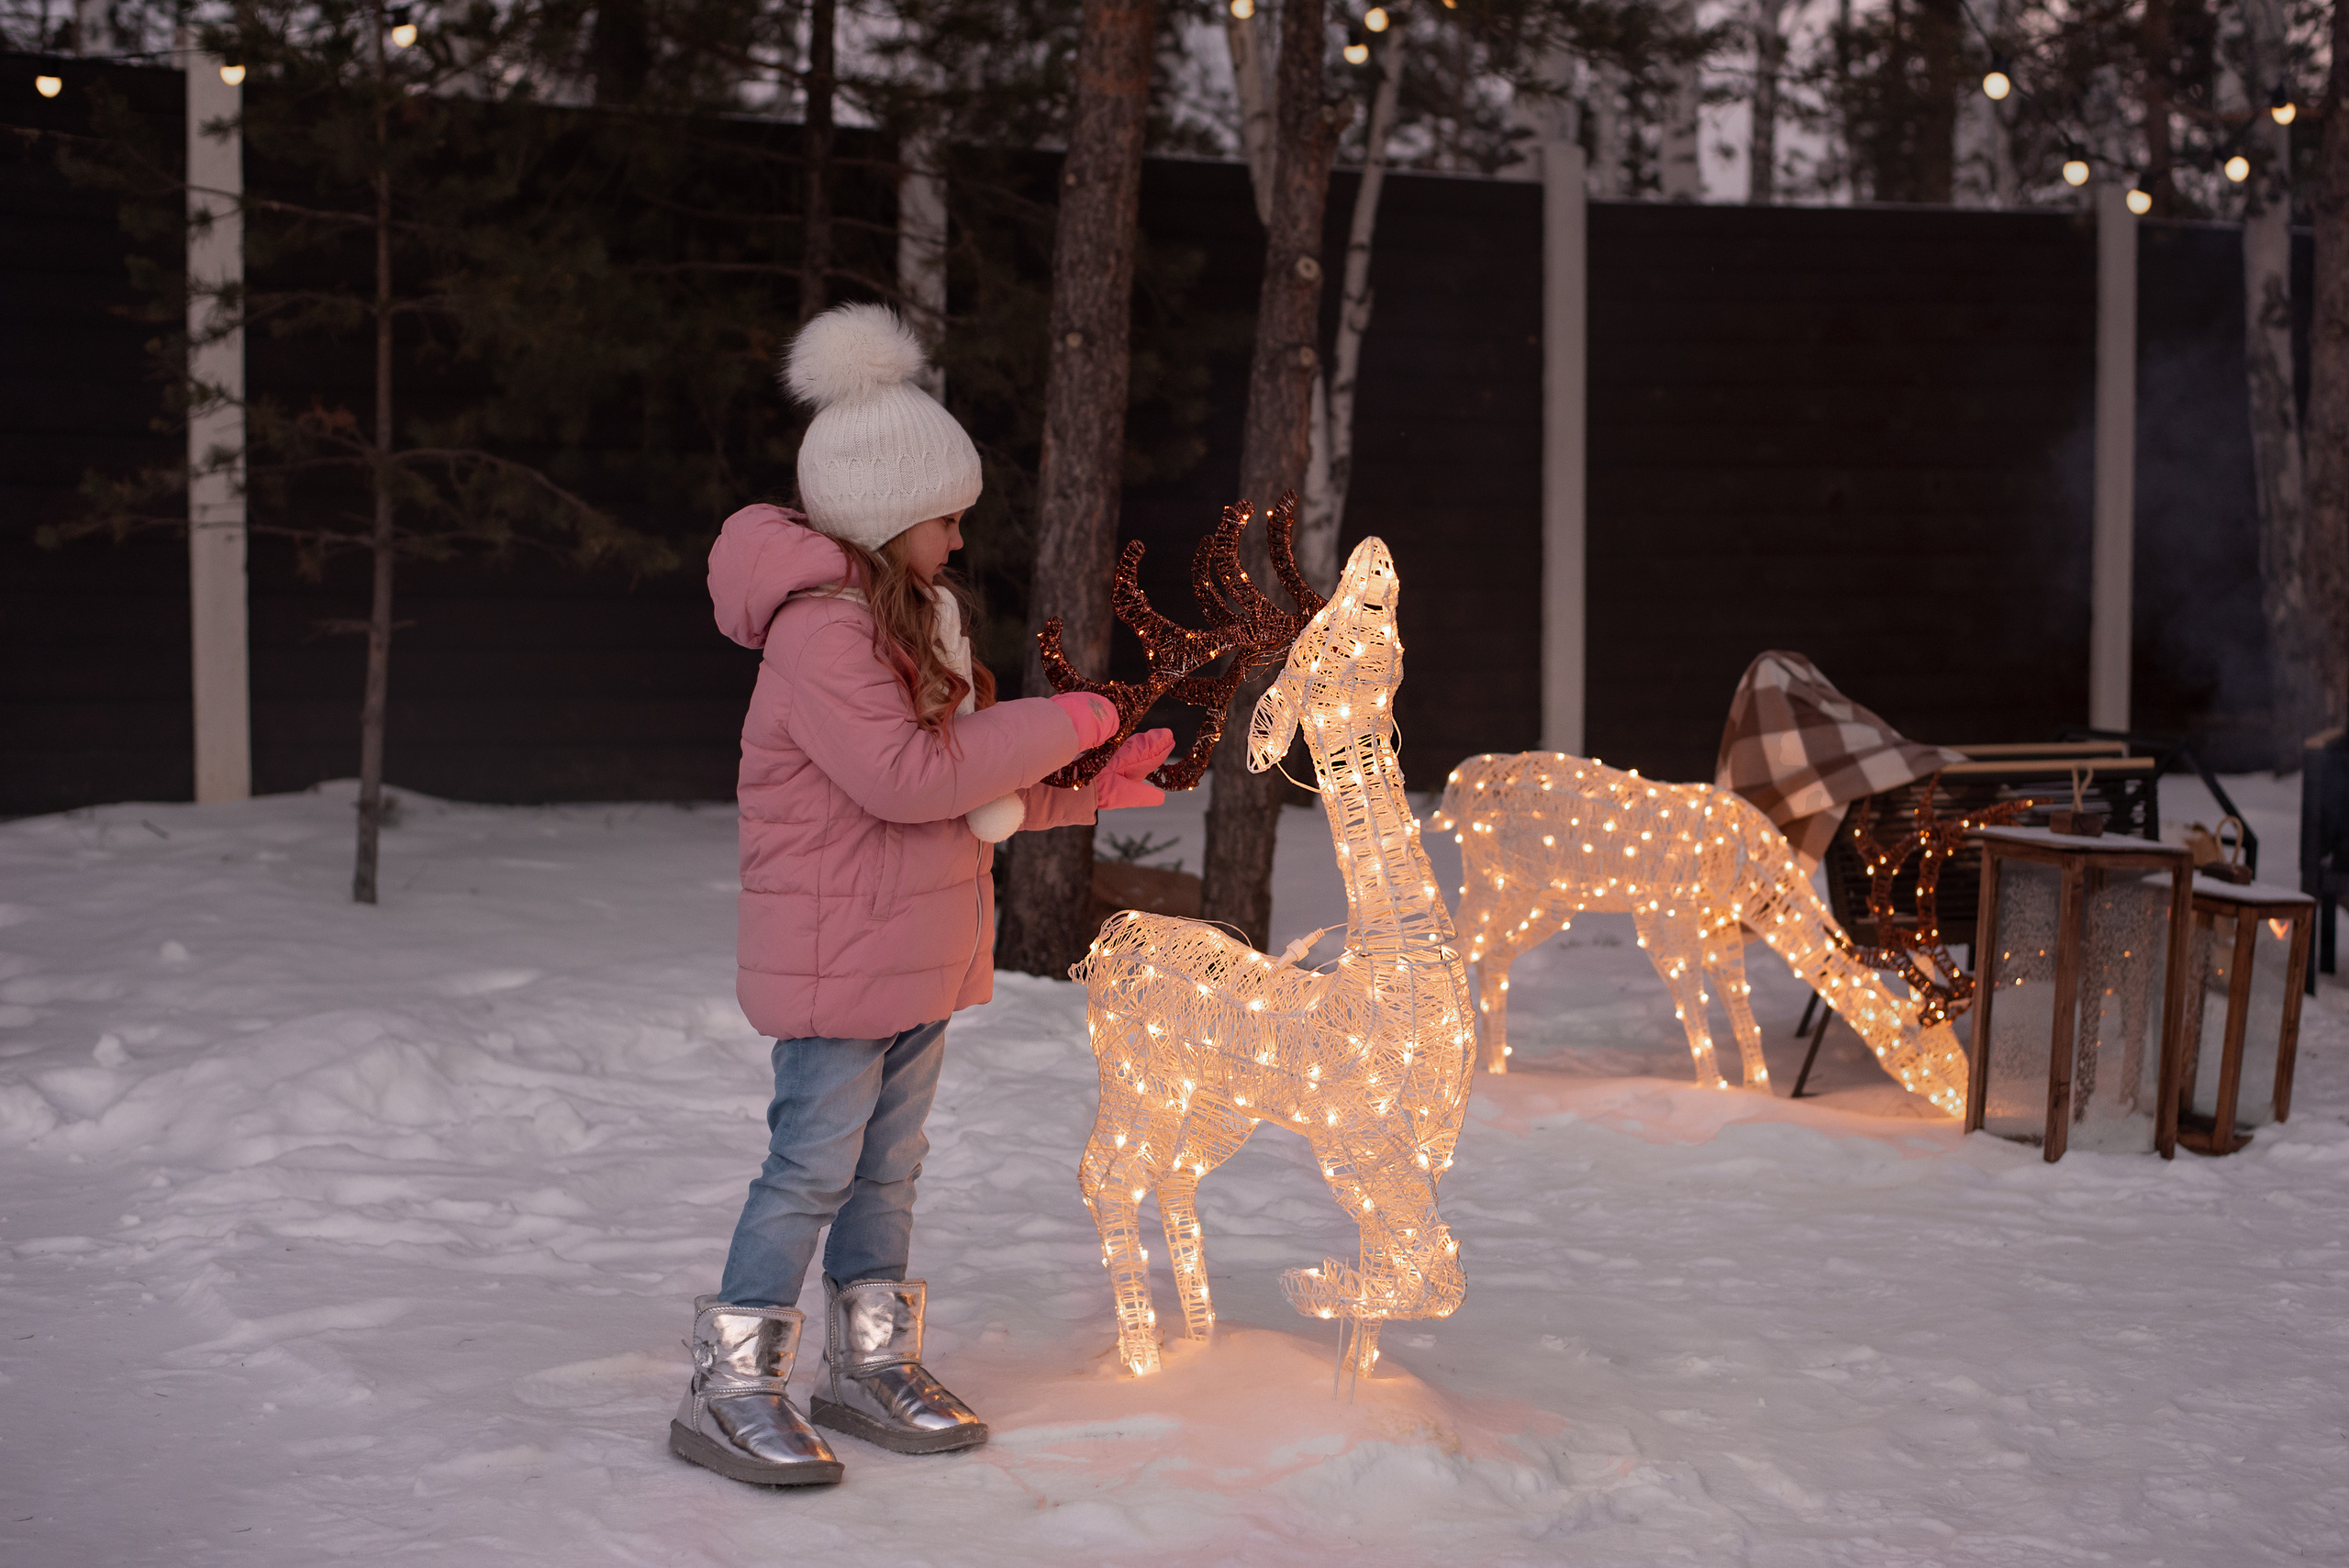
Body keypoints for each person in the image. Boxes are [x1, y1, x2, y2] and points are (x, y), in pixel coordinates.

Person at [673, 304, 1171, 1487]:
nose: (957, 539)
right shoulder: (824, 636)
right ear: (892, 516)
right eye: (946, 517)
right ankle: (732, 1382)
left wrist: (1079, 790)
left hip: (914, 948)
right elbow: (908, 779)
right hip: (838, 958)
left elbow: (952, 794)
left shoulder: (908, 626)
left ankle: (868, 1362)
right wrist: (1069, 717)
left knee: (888, 1169)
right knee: (811, 1168)